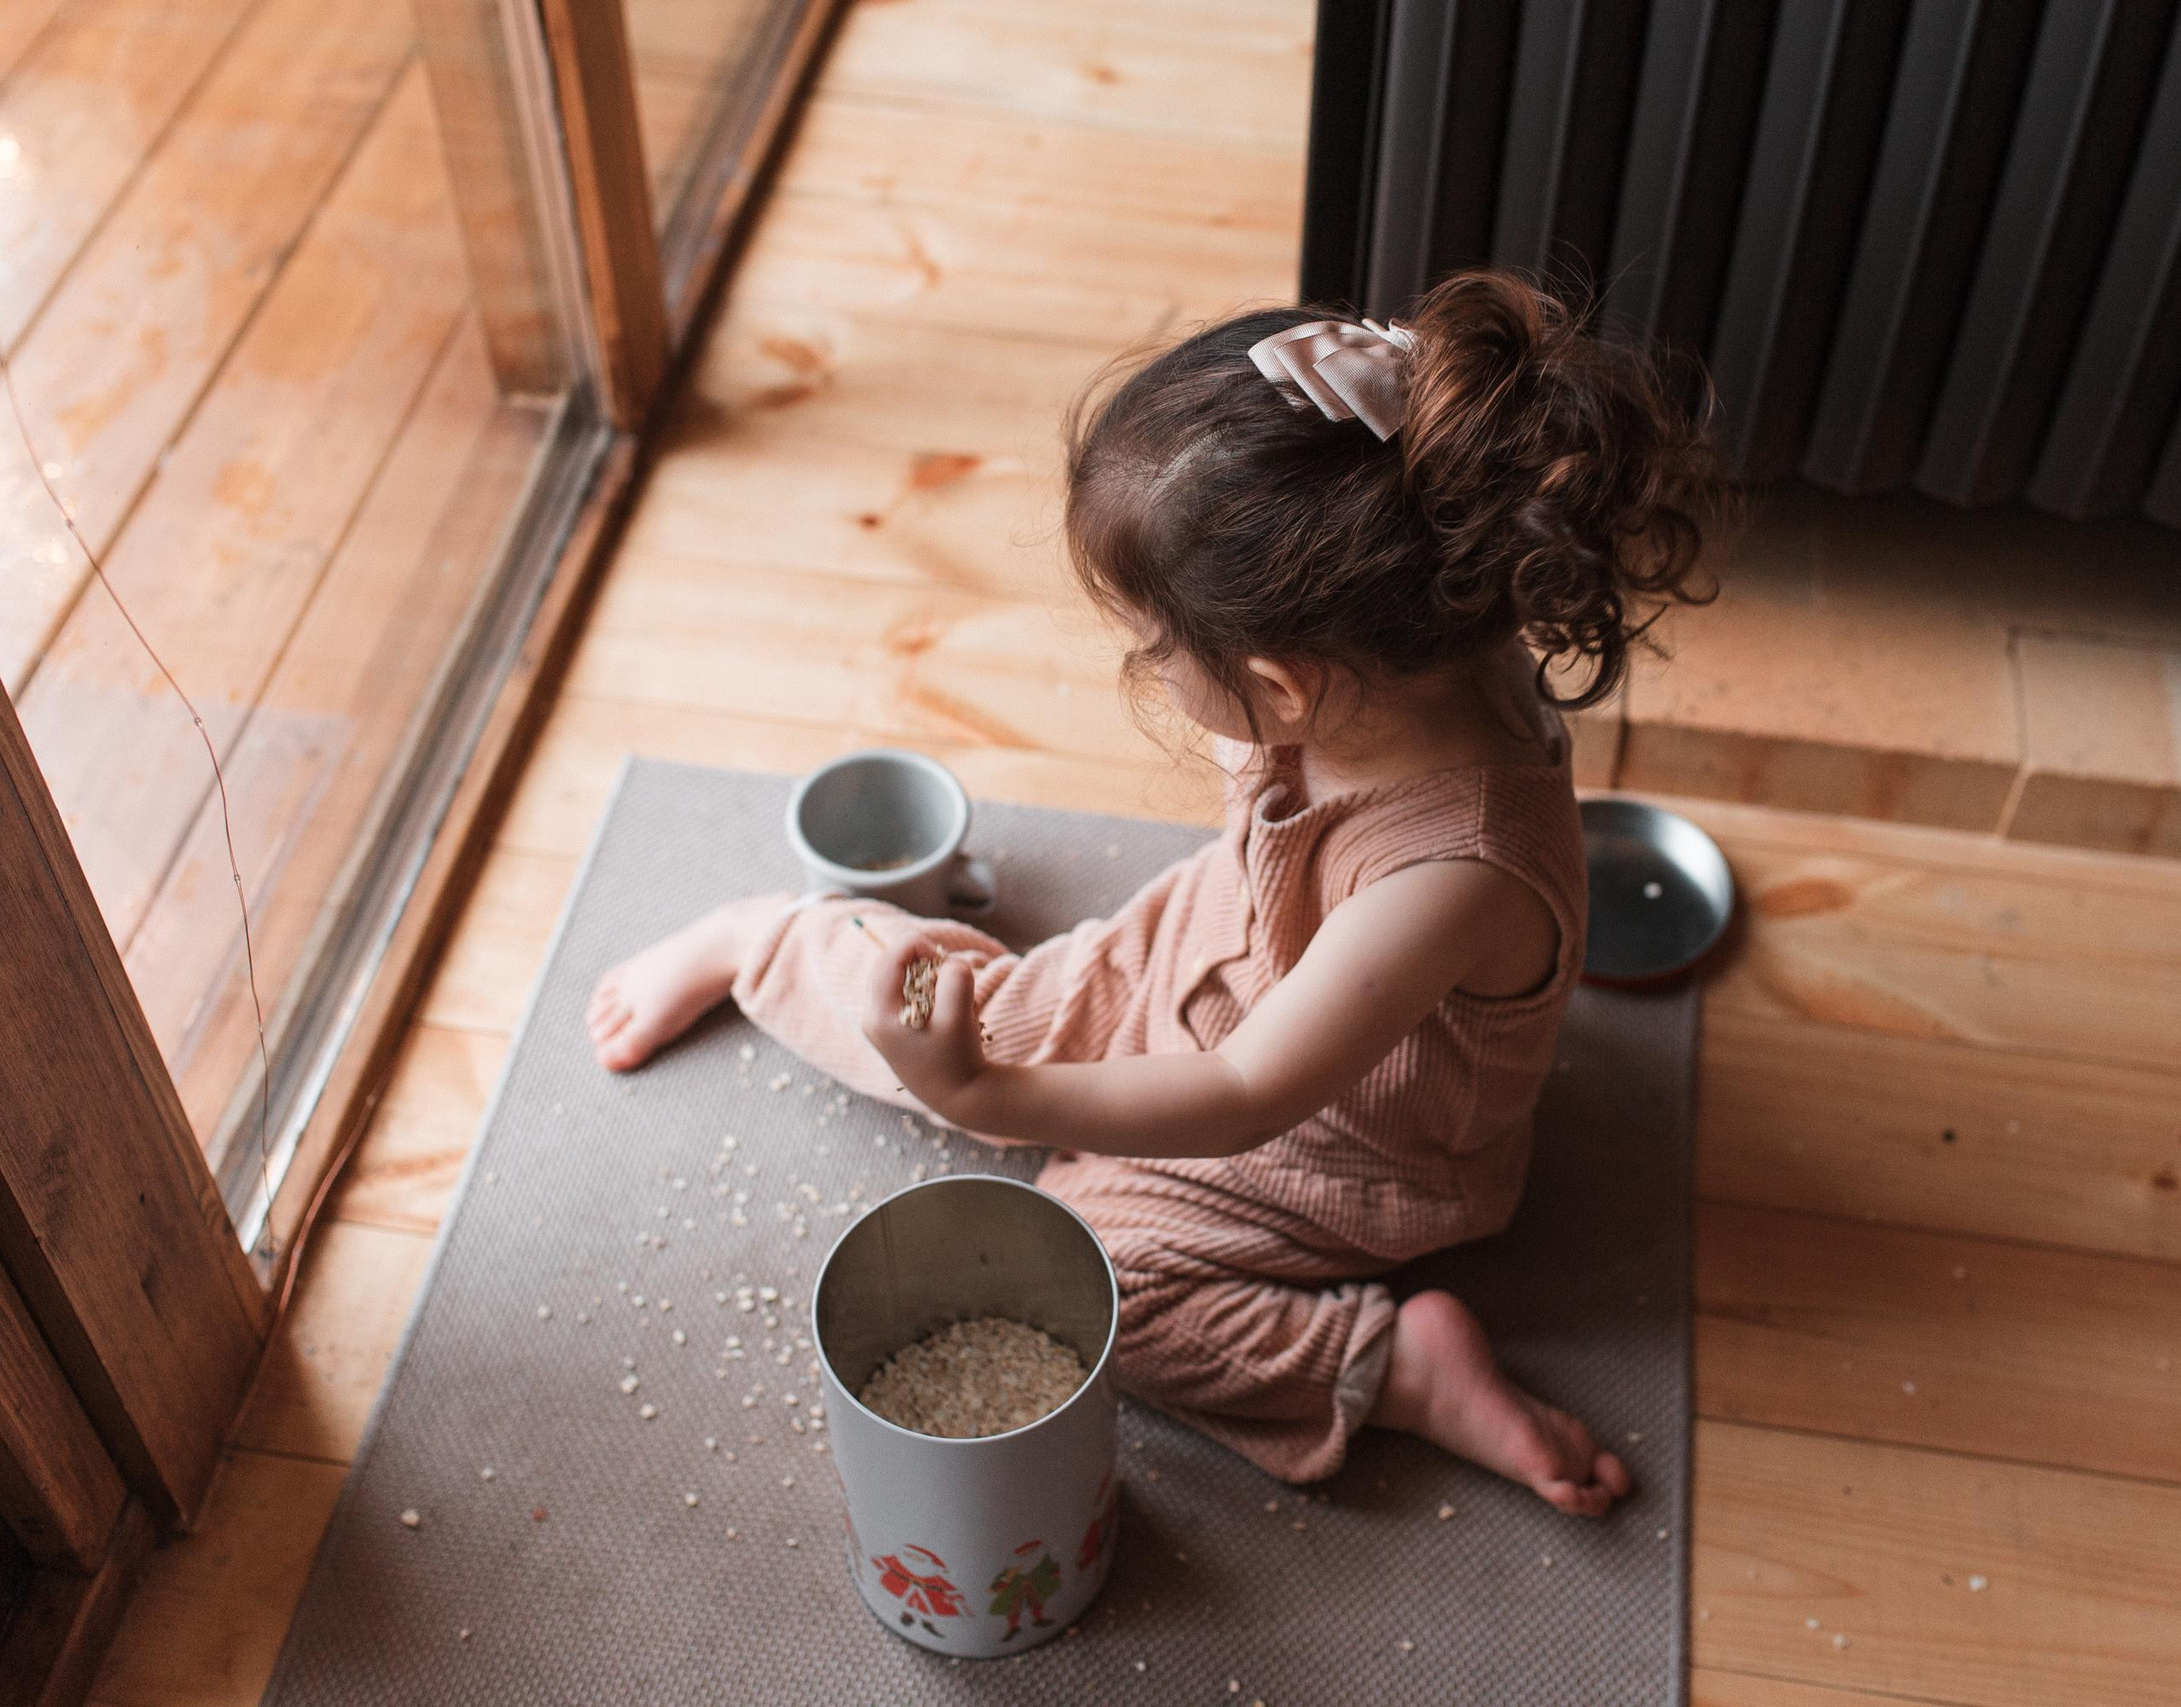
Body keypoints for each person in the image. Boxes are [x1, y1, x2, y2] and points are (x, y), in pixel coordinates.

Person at [586, 270, 1730, 1508]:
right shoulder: (1413, 641)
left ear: (1281, 687)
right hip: (1203, 948)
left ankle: (1398, 1371)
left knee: (1085, 1278)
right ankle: (763, 942)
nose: (1146, 667)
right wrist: (990, 1064)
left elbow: (1243, 1094)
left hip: (1340, 1143)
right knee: (951, 1003)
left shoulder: (1451, 873)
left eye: (1155, 645)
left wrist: (982, 1093)